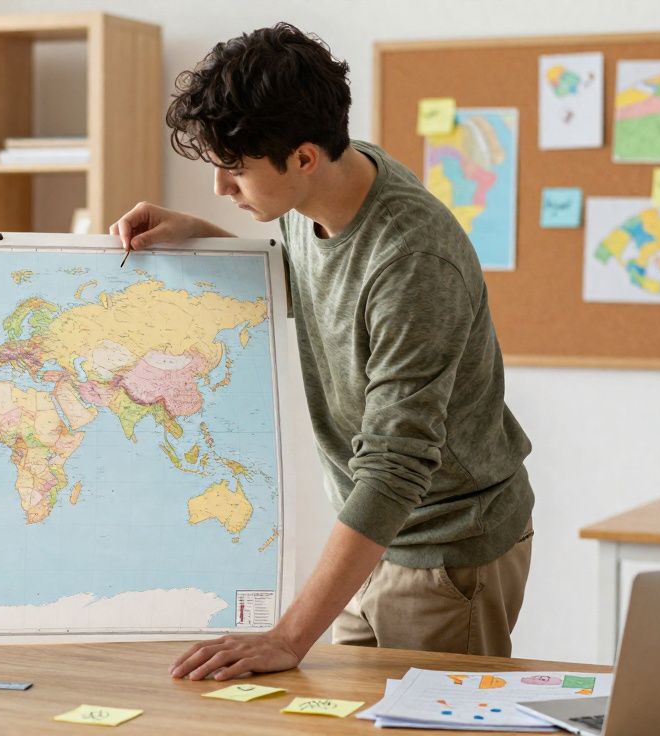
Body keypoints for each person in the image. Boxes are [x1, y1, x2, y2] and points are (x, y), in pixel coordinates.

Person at [111, 23, 534, 683]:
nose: (221, 187)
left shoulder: (412, 260)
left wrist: (288, 635)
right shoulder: (322, 189)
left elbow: (396, 465)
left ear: (304, 158)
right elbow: (321, 290)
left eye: (236, 169)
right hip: (373, 540)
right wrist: (206, 238)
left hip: (445, 552)